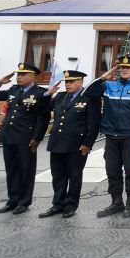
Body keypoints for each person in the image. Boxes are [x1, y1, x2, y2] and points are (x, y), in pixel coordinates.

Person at [85, 55, 130, 218]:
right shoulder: (109, 85)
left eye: (128, 68)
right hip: (112, 135)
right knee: (112, 170)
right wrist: (104, 76)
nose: (124, 70)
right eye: (122, 67)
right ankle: (116, 202)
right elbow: (88, 92)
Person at [0, 63, 52, 214]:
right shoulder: (13, 89)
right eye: (18, 74)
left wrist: (37, 138)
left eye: (23, 74)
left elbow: (43, 118)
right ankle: (12, 200)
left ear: (33, 76)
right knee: (11, 170)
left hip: (26, 138)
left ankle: (24, 201)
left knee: (26, 171)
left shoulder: (41, 93)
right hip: (9, 136)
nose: (19, 77)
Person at [38, 70, 101, 219]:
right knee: (58, 176)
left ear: (80, 82)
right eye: (66, 82)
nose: (68, 85)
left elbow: (94, 123)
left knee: (74, 176)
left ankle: (71, 205)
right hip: (57, 143)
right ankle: (57, 204)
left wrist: (88, 144)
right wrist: (47, 95)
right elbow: (42, 110)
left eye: (71, 82)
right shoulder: (59, 97)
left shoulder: (89, 98)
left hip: (76, 145)